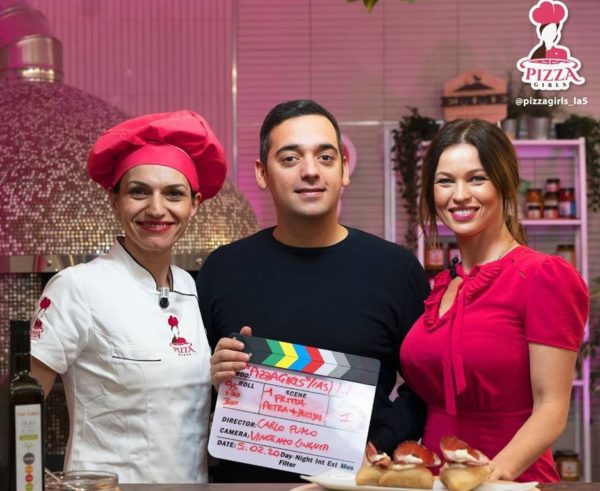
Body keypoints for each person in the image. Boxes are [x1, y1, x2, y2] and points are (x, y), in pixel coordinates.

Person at [196, 99, 430, 483]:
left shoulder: (397, 270)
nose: (310, 171)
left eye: (325, 157)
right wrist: (212, 376)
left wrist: (379, 445)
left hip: (358, 484)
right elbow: (185, 391)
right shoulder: (222, 269)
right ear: (261, 173)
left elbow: (425, 391)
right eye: (290, 159)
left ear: (344, 169)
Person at [29, 111, 227, 483]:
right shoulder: (77, 287)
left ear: (194, 204)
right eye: (139, 191)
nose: (157, 209)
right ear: (114, 200)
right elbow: (20, 404)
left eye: (174, 193)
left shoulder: (191, 288)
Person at [400, 119, 589, 483]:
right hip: (439, 481)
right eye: (445, 181)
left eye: (477, 179)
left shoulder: (542, 276)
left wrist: (491, 475)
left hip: (509, 481)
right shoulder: (443, 286)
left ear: (505, 184)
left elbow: (552, 407)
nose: (459, 195)